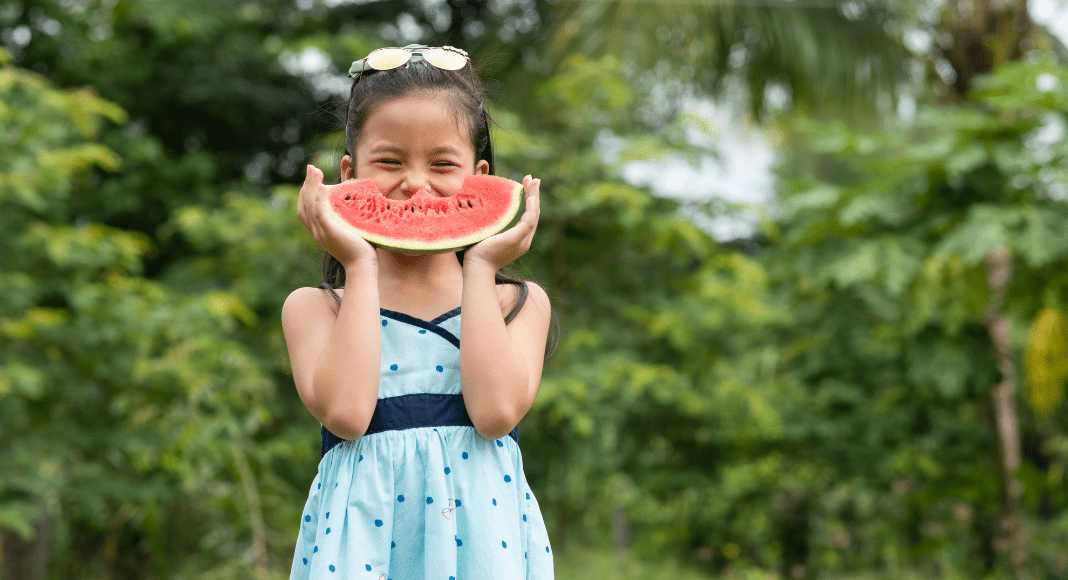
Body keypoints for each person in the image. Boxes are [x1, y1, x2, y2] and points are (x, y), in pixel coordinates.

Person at [281, 45, 555, 580]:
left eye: (442, 164)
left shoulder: (516, 303)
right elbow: (347, 415)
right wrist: (358, 265)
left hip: (482, 554)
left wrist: (480, 267)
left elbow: (495, 413)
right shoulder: (315, 308)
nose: (415, 184)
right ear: (348, 172)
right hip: (361, 553)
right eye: (389, 161)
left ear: (479, 176)